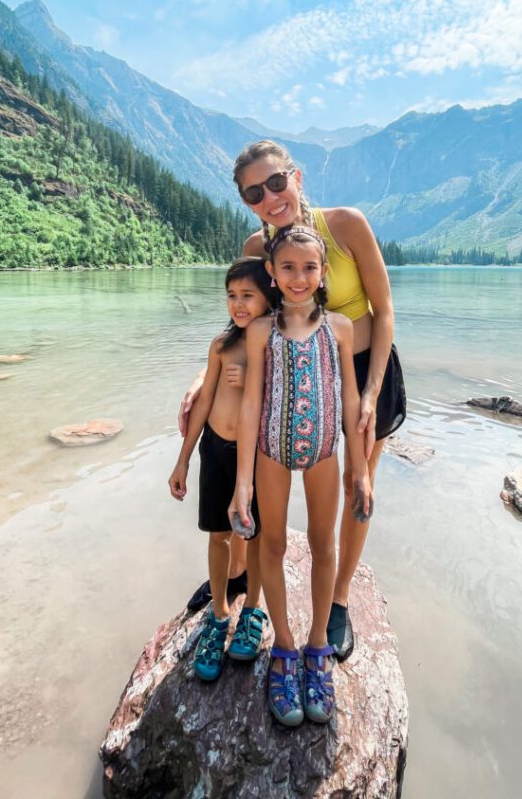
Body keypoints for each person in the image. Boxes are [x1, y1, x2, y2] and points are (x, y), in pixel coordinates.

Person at [180, 139, 405, 660]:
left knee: (357, 486)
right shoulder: (257, 251)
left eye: (276, 182)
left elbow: (385, 309)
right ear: (247, 202)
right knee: (259, 482)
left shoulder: (345, 224)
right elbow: (243, 319)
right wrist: (203, 377)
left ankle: (341, 600)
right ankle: (239, 578)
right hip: (287, 378)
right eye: (254, 192)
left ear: (296, 177)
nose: (270, 197)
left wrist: (370, 392)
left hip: (361, 370)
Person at [229, 225, 372, 726]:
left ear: (323, 272)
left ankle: (317, 645)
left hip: (324, 452)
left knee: (323, 543)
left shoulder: (339, 328)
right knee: (270, 544)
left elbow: (351, 398)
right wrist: (242, 480)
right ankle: (284, 648)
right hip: (271, 448)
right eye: (286, 267)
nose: (298, 277)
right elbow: (250, 404)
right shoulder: (261, 330)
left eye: (309, 267)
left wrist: (360, 468)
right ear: (270, 271)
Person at [168, 257, 274, 681]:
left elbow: (279, 402)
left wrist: (250, 378)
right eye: (232, 296)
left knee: (258, 533)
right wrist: (183, 459)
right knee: (219, 535)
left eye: (248, 295)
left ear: (269, 297)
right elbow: (203, 402)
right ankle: (218, 615)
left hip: (258, 455)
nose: (239, 304)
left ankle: (252, 612)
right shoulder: (219, 346)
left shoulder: (274, 344)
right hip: (215, 449)